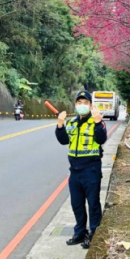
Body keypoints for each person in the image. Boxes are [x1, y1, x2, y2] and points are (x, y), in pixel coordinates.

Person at [56, 90, 108, 248]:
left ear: (91, 105)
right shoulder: (71, 123)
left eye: (85, 103)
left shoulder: (97, 122)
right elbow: (64, 140)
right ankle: (80, 233)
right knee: (76, 204)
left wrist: (98, 122)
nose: (82, 105)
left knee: (93, 203)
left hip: (91, 169)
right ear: (75, 105)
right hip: (75, 171)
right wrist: (60, 125)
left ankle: (94, 234)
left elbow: (101, 139)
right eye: (79, 103)